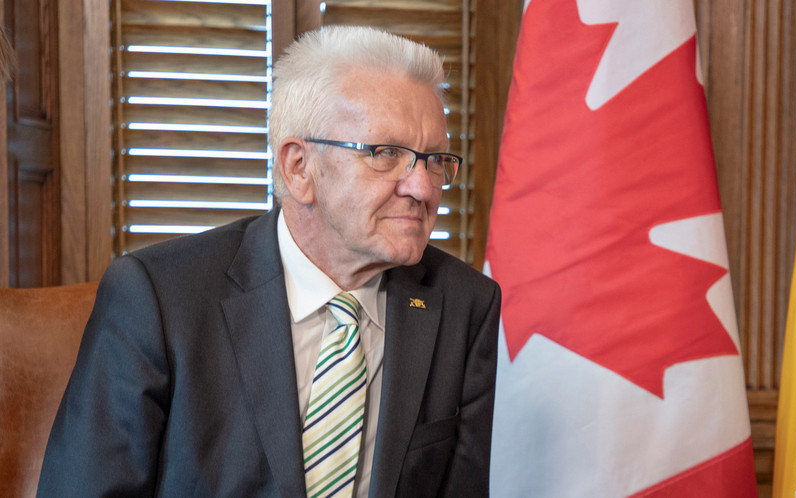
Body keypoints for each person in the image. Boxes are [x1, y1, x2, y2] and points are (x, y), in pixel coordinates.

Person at [37, 26, 499, 497]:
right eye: (386, 154)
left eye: (436, 159)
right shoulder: (157, 300)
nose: (422, 189)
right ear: (299, 168)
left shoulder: (464, 305)